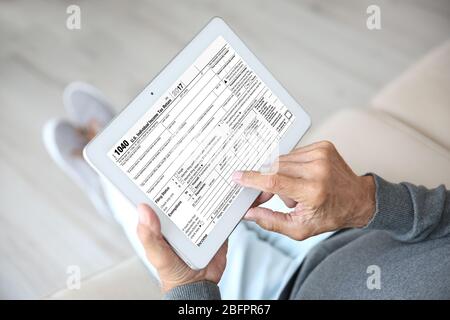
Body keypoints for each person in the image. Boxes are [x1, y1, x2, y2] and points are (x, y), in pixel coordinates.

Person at [44, 82, 450, 300]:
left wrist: (189, 289)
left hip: (277, 293)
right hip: (359, 234)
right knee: (222, 189)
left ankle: (104, 172)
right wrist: (368, 202)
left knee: (171, 224)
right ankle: (123, 152)